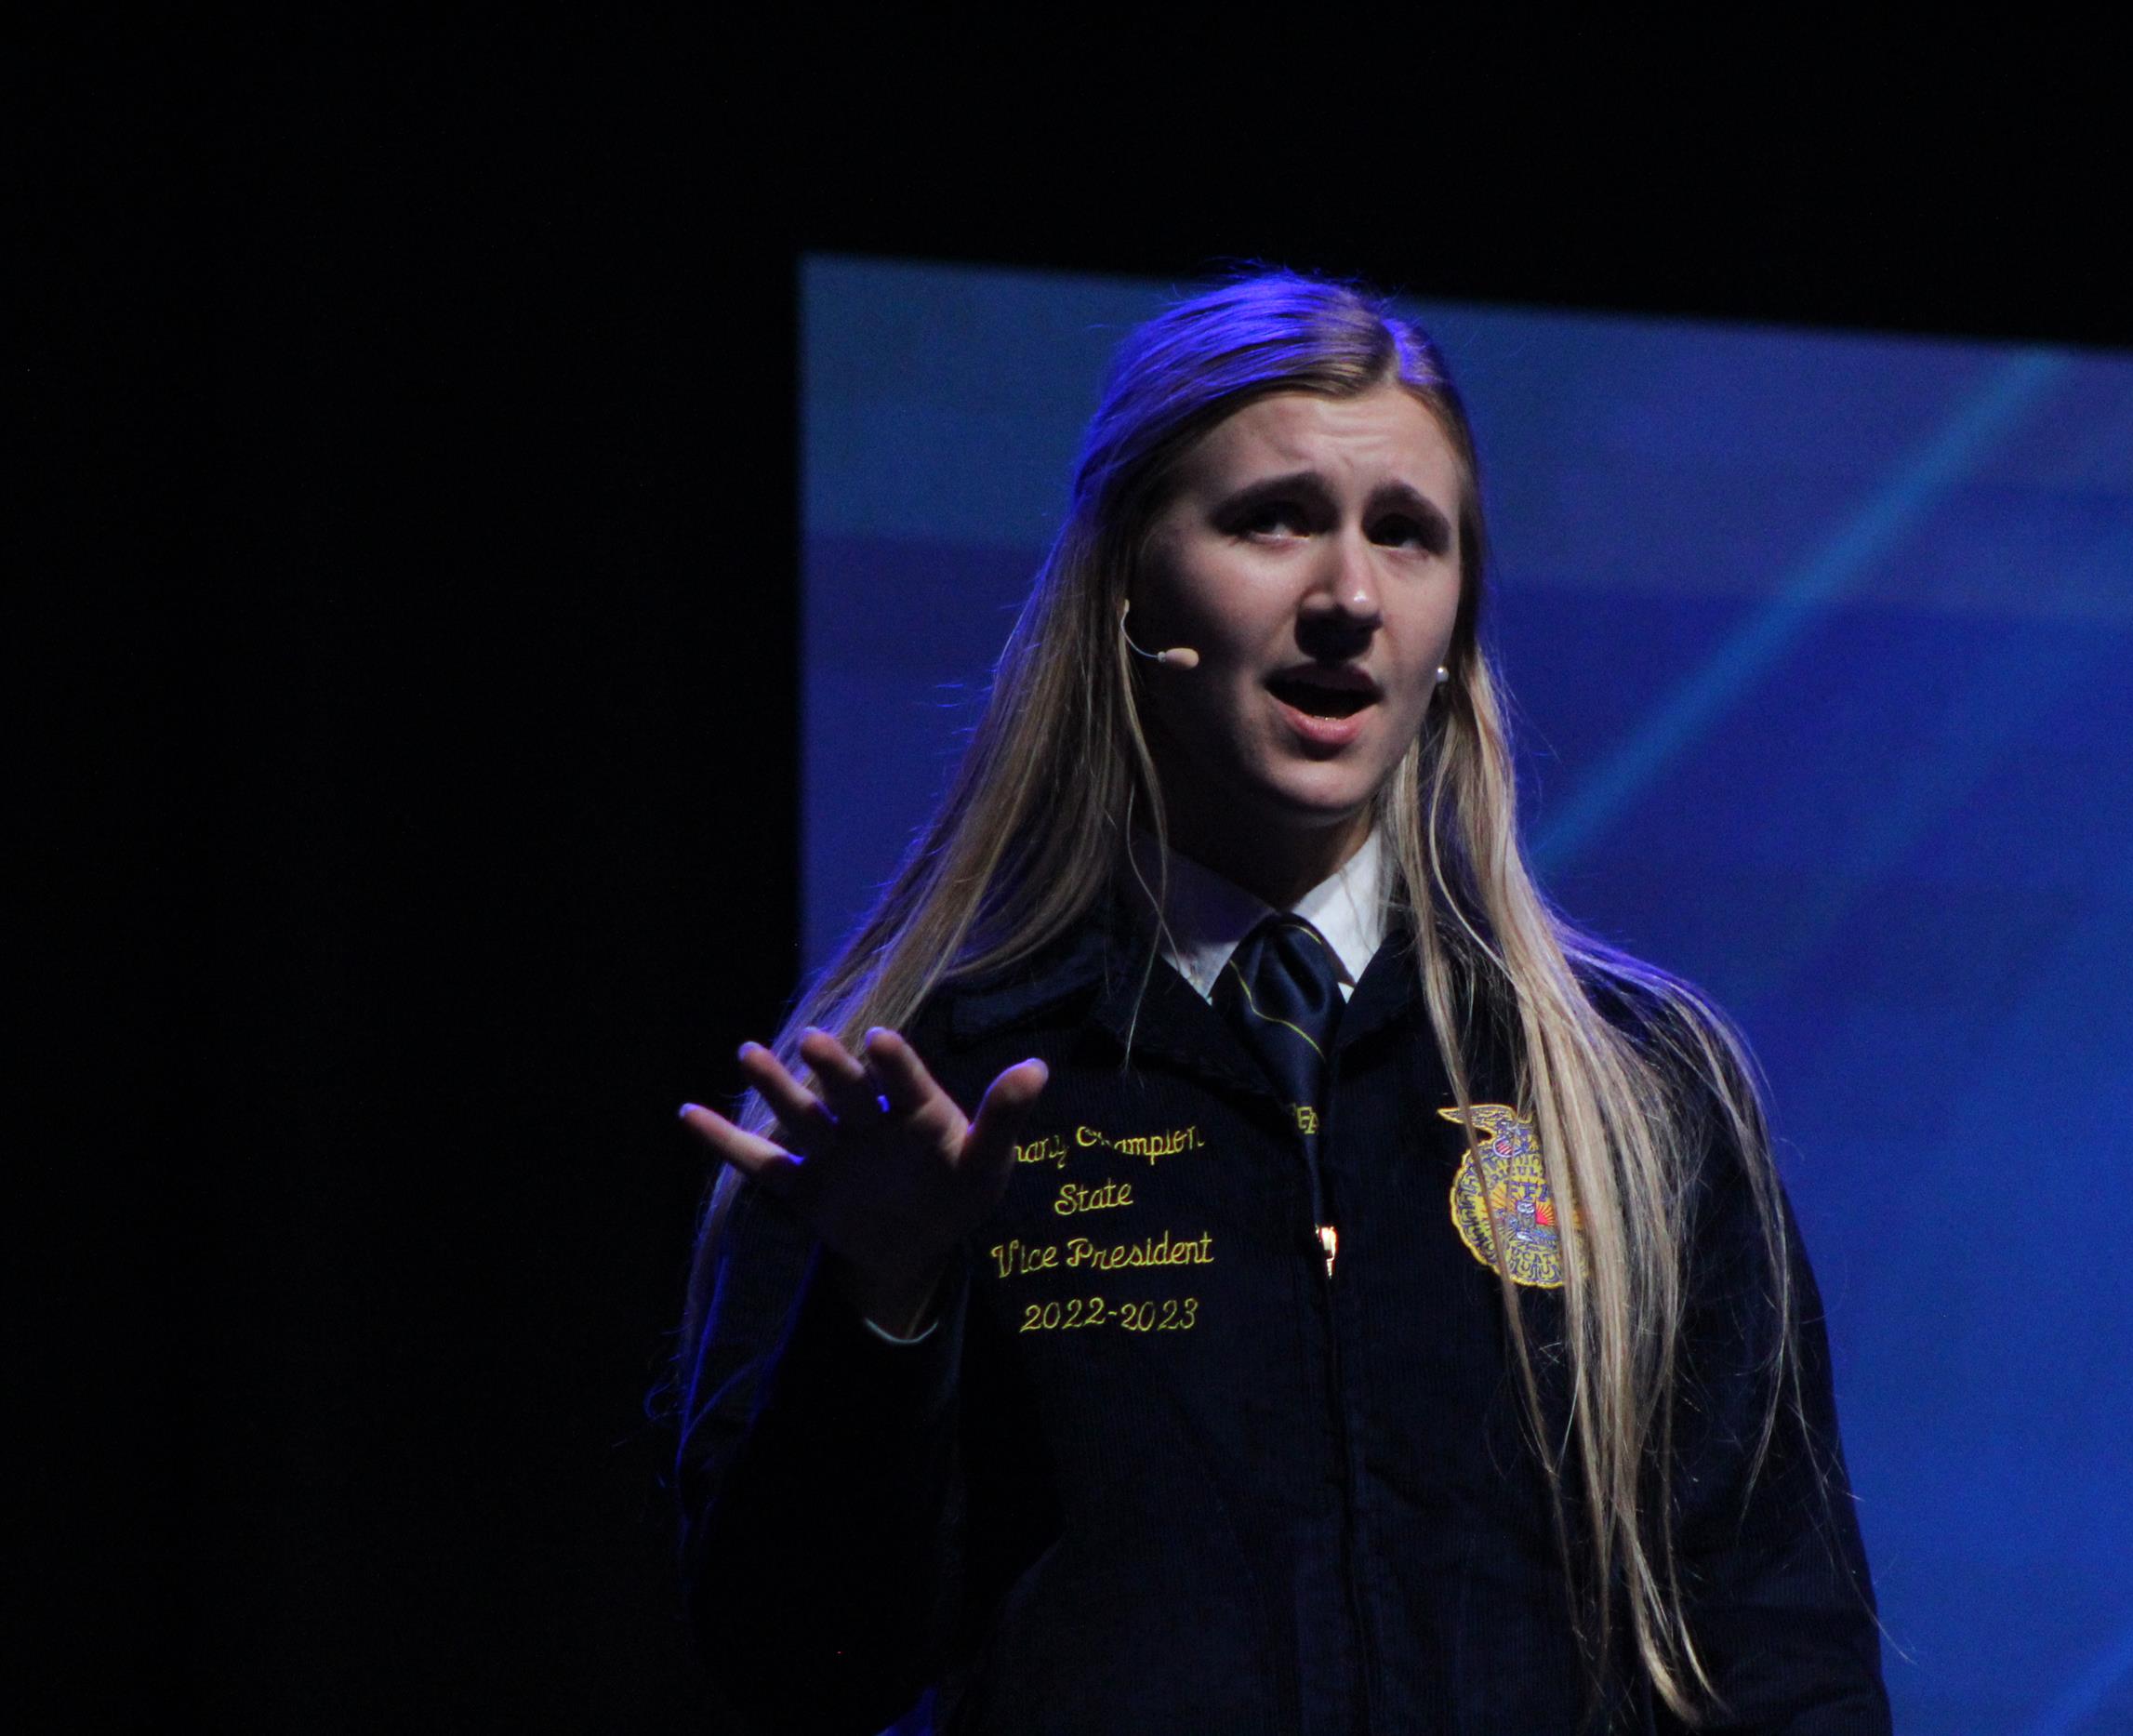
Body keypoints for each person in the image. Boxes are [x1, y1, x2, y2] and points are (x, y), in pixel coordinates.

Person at [667, 270, 1889, 1734]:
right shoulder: (941, 1092)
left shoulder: (1636, 1090)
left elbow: (1787, 1659)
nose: (1349, 598)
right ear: (1130, 586)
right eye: (1274, 519)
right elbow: (791, 1671)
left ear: (1456, 621)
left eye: (1406, 533)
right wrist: (883, 1307)